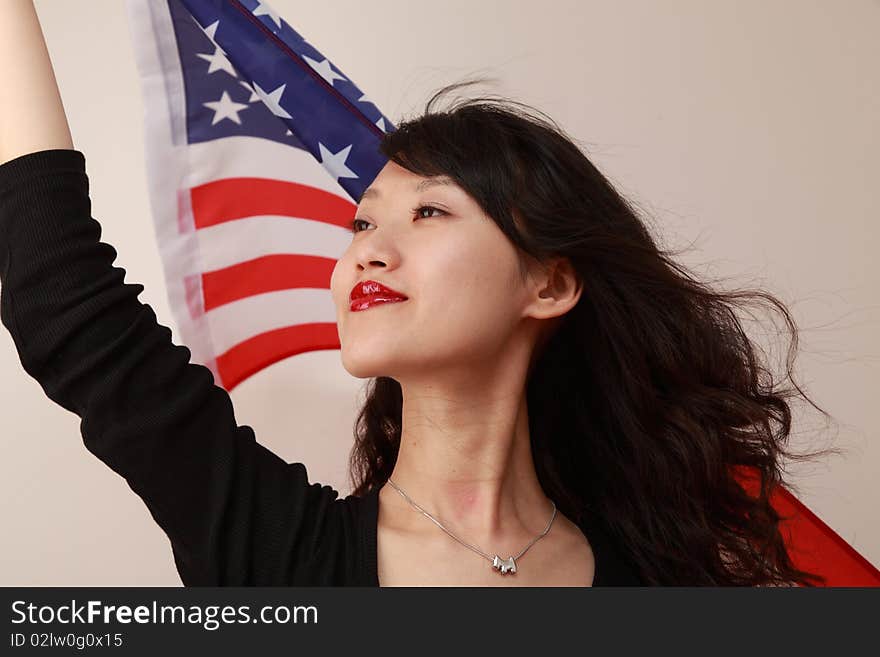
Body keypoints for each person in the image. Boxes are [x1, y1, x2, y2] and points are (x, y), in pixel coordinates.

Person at [1, 0, 835, 587]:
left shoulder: (663, 583)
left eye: (429, 210)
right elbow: (57, 295)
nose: (367, 254)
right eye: (361, 226)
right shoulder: (280, 554)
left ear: (549, 282)